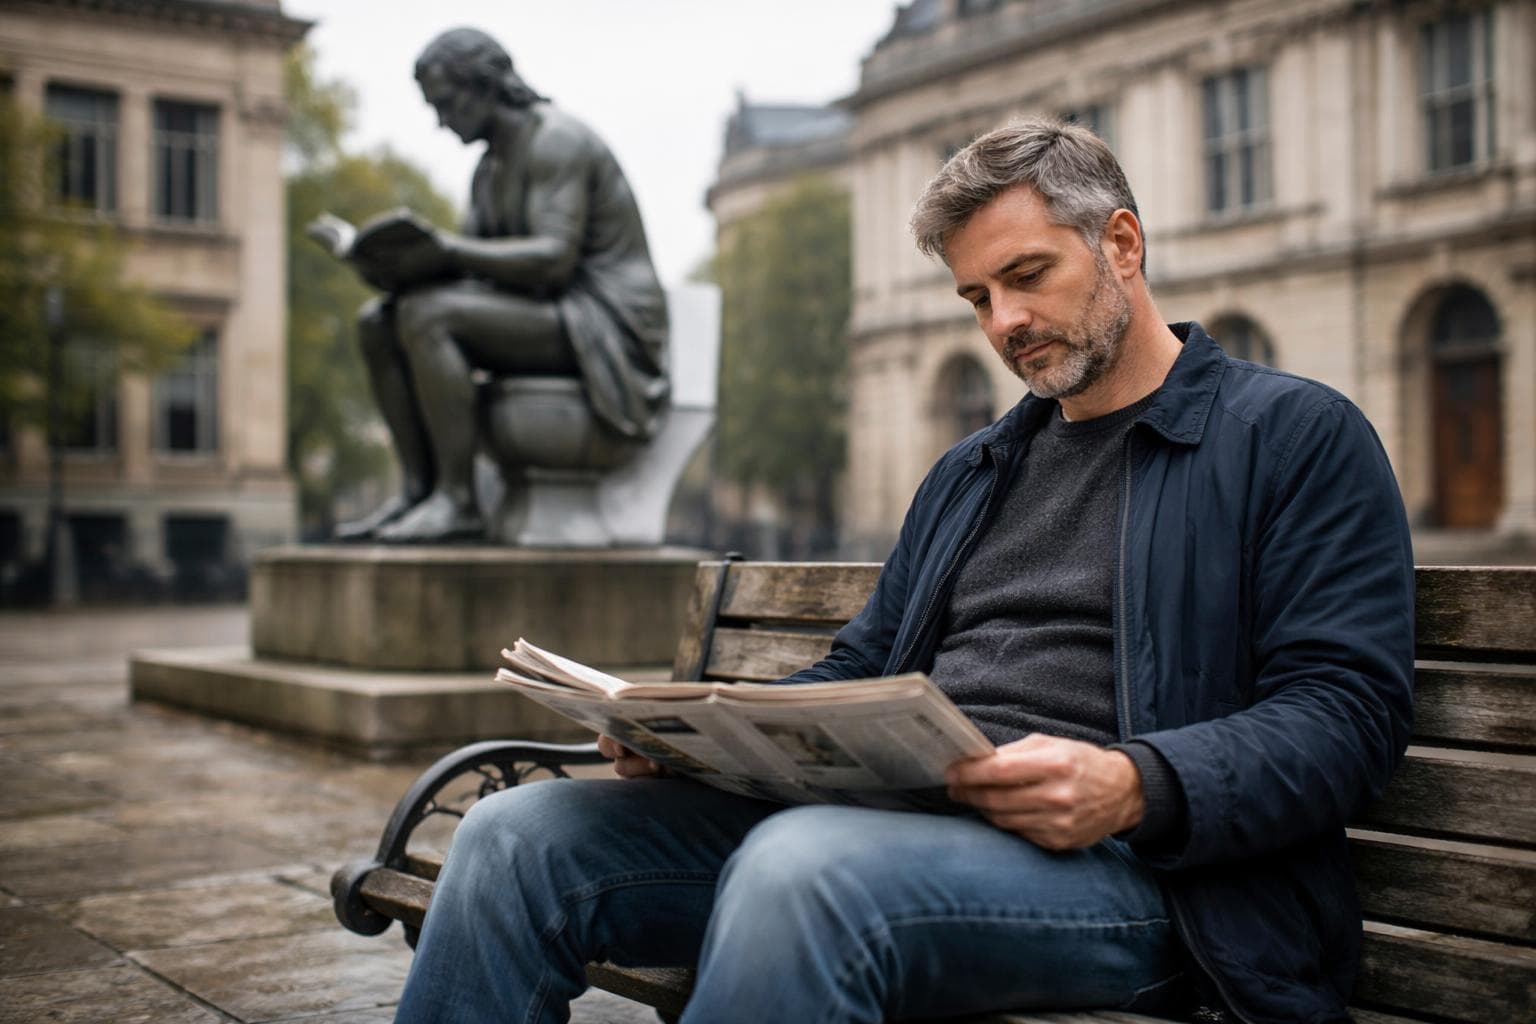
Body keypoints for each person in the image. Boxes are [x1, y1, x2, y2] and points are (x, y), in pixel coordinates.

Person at [392, 120, 1414, 1022]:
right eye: (976, 296)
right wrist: (705, 736)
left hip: (1151, 883)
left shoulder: (1291, 436)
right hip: (894, 830)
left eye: (1025, 276)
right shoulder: (976, 469)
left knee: (807, 872)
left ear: (1122, 243)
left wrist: (1137, 784)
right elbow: (865, 664)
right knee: (514, 835)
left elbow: (1348, 712)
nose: (1002, 323)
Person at [339, 28, 669, 542]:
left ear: (484, 83)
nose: (440, 120)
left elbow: (554, 259)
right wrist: (398, 270)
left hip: (605, 328)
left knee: (430, 316)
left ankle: (459, 501)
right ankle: (418, 493)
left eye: (445, 102)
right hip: (551, 316)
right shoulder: (488, 171)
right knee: (379, 321)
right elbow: (473, 272)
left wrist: (445, 251)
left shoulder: (555, 140)